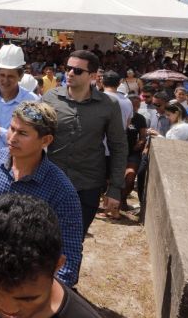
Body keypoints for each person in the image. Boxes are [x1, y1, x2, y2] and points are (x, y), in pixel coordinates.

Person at [0, 101, 82, 287]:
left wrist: (39, 296)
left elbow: (69, 256)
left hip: (19, 284)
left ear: (45, 140)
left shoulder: (61, 190)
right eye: (12, 129)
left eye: (23, 133)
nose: (12, 138)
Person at [42, 50, 127, 238]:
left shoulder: (108, 105)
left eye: (78, 71)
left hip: (87, 185)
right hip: (50, 181)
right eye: (68, 68)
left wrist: (114, 188)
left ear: (93, 76)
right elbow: (36, 136)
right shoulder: (50, 98)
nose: (70, 73)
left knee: (74, 240)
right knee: (43, 239)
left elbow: (119, 146)